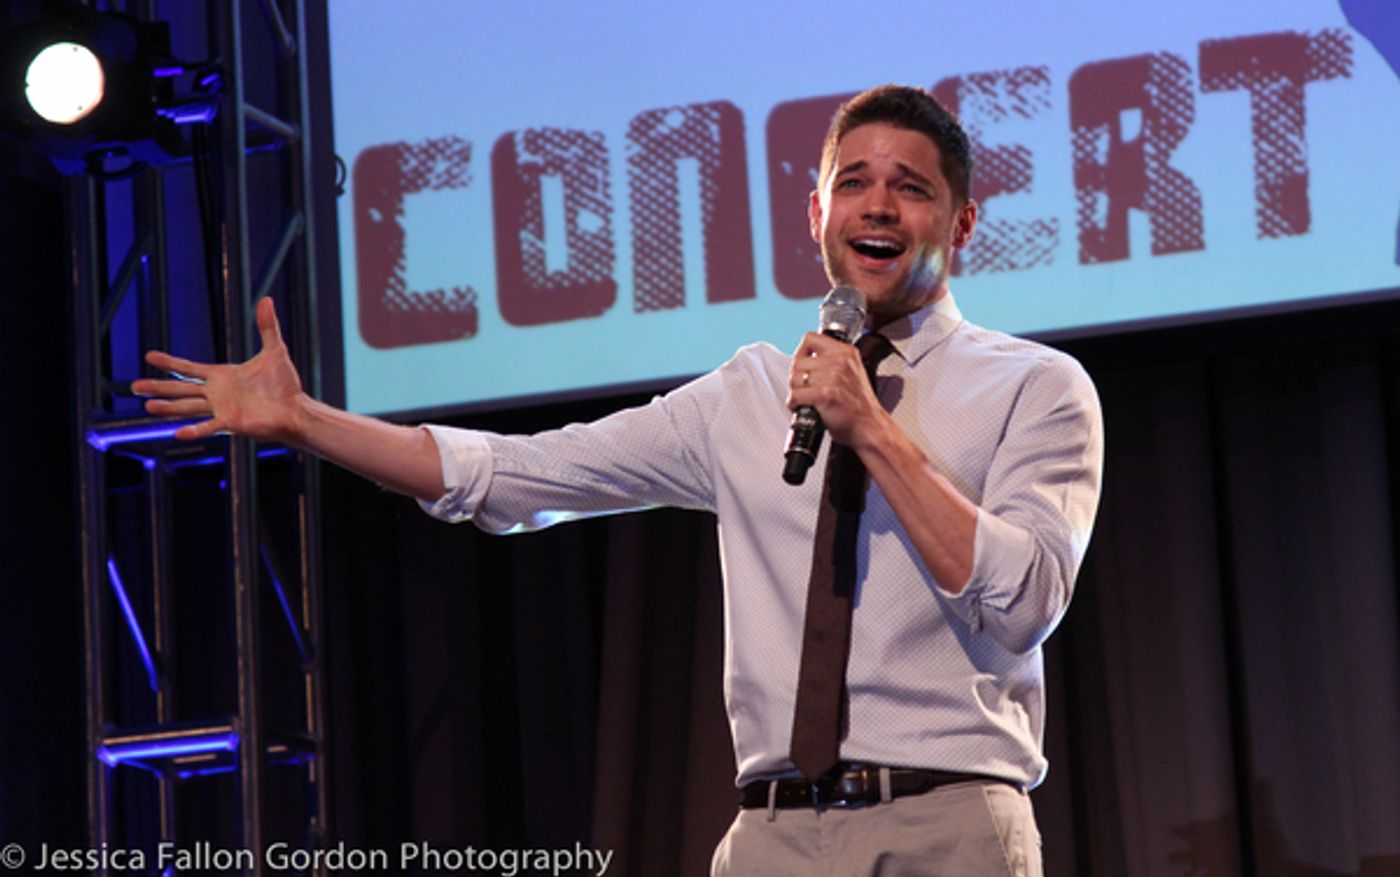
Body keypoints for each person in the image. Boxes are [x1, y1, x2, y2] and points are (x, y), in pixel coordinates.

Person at [134, 84, 1103, 876]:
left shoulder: (1034, 386)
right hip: (770, 838)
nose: (878, 206)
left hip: (946, 826)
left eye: (910, 188)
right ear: (817, 214)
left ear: (961, 223)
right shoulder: (747, 395)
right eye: (852, 183)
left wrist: (873, 430)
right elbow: (514, 475)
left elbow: (1023, 600)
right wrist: (305, 421)